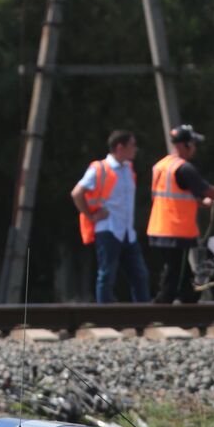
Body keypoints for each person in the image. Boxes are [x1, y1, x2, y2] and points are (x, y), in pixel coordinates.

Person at [147, 124, 214, 304]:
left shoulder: (161, 166)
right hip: (176, 230)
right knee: (174, 274)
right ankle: (160, 308)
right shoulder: (183, 168)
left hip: (159, 228)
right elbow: (207, 190)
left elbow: (172, 196)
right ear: (185, 145)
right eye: (193, 144)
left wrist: (199, 203)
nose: (195, 148)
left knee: (181, 274)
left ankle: (189, 304)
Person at [70, 129, 149, 303]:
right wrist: (90, 216)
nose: (135, 149)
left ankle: (144, 316)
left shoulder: (128, 168)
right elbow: (77, 193)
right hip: (109, 229)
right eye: (132, 145)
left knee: (139, 275)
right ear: (120, 147)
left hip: (127, 232)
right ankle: (104, 317)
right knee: (106, 276)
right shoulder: (101, 169)